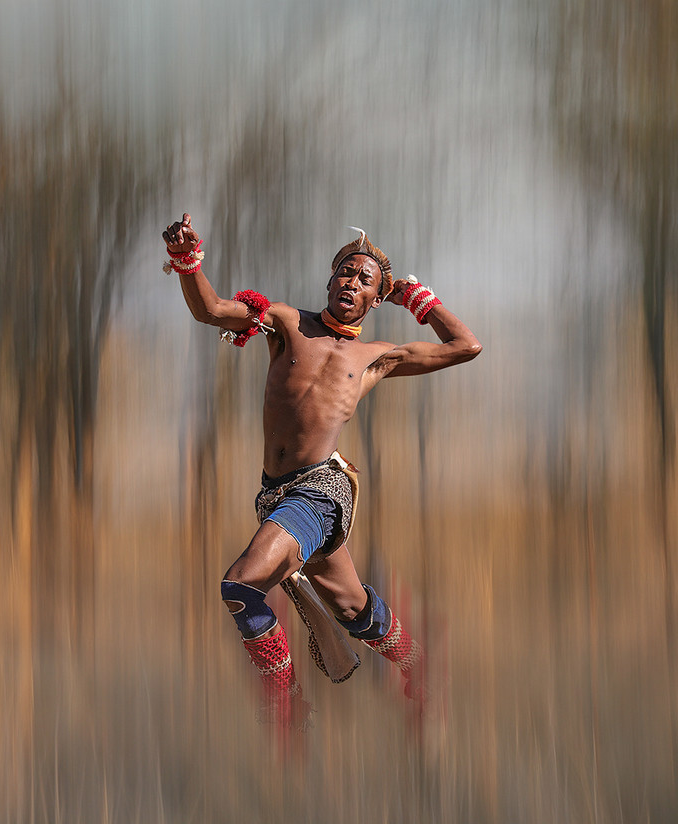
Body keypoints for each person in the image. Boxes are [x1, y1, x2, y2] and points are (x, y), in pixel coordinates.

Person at [162, 213, 481, 733]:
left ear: (377, 298)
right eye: (345, 273)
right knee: (351, 608)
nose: (351, 283)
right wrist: (186, 260)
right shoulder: (287, 323)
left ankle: (286, 708)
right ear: (330, 278)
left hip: (321, 491)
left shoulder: (377, 357)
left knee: (241, 586)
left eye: (365, 280)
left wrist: (417, 299)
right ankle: (415, 662)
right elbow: (212, 310)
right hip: (276, 495)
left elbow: (466, 346)